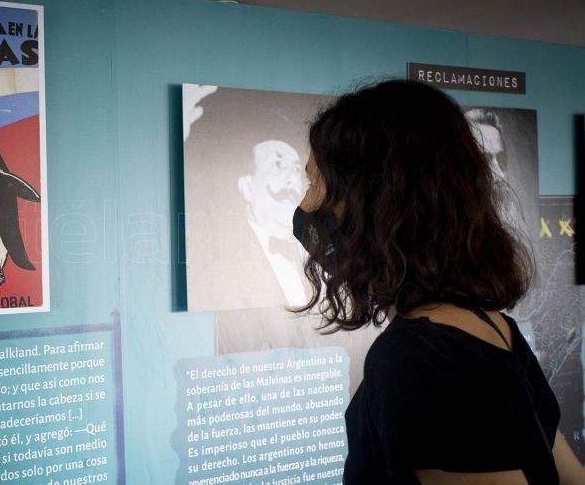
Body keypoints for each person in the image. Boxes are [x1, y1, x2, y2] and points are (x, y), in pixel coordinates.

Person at [291, 79, 585, 484]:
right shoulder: (493, 327)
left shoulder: (415, 357)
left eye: (313, 182)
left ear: (371, 201)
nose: (306, 206)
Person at [237, 139, 310, 306]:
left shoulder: (318, 247)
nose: (293, 178)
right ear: (247, 188)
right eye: (277, 165)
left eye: (297, 169)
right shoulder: (225, 261)